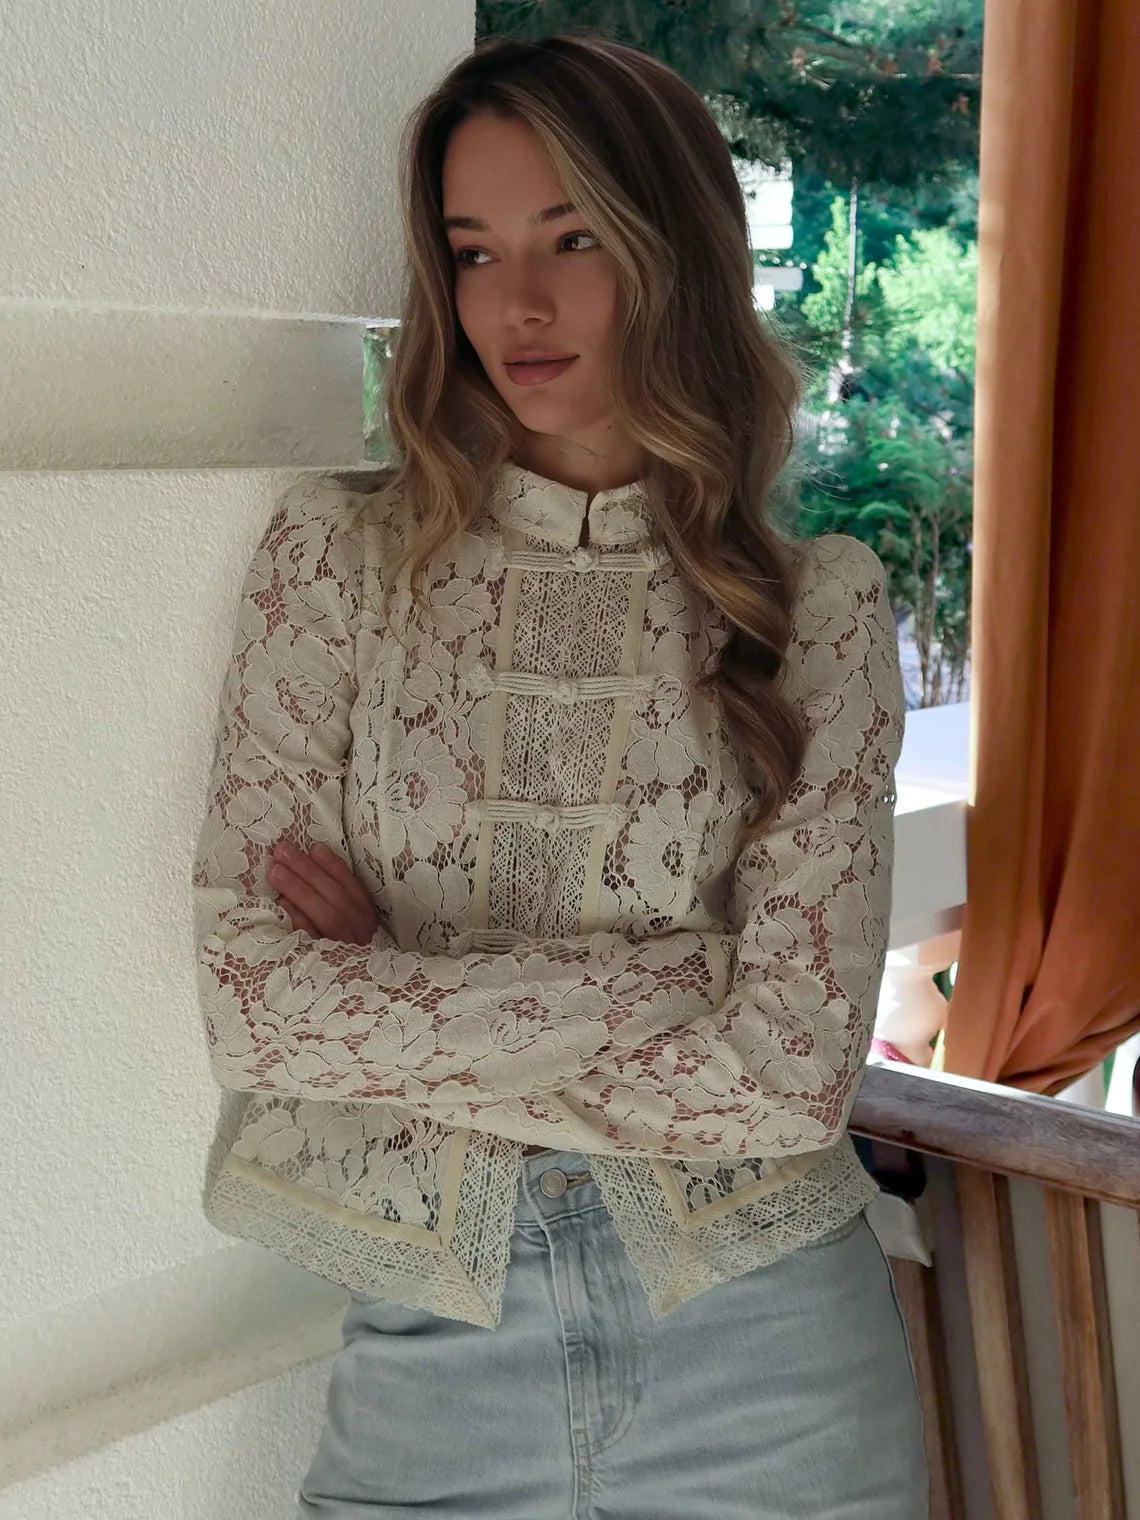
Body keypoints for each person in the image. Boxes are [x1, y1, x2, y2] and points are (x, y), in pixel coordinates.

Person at [191, 32, 929, 1520]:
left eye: (573, 238)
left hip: (768, 1354)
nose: (514, 305)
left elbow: (791, 1077)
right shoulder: (336, 565)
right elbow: (255, 1005)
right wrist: (686, 975)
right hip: (429, 1368)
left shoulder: (820, 607)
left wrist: (398, 989)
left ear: (678, 252)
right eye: (472, 252)